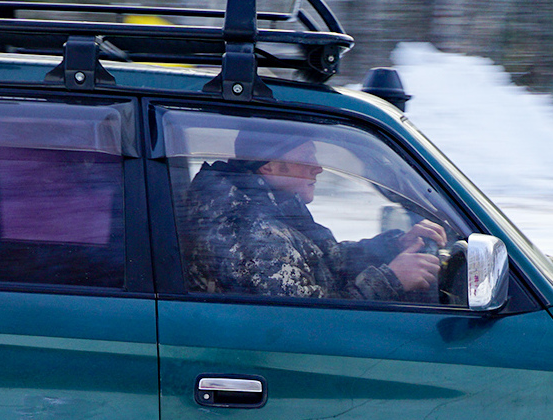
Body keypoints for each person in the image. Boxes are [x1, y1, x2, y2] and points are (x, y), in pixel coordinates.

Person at [182, 127, 446, 300]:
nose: (318, 168)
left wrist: (394, 246)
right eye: (308, 157)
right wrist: (391, 279)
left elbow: (326, 259)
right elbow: (314, 322)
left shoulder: (273, 205)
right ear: (270, 167)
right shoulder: (250, 233)